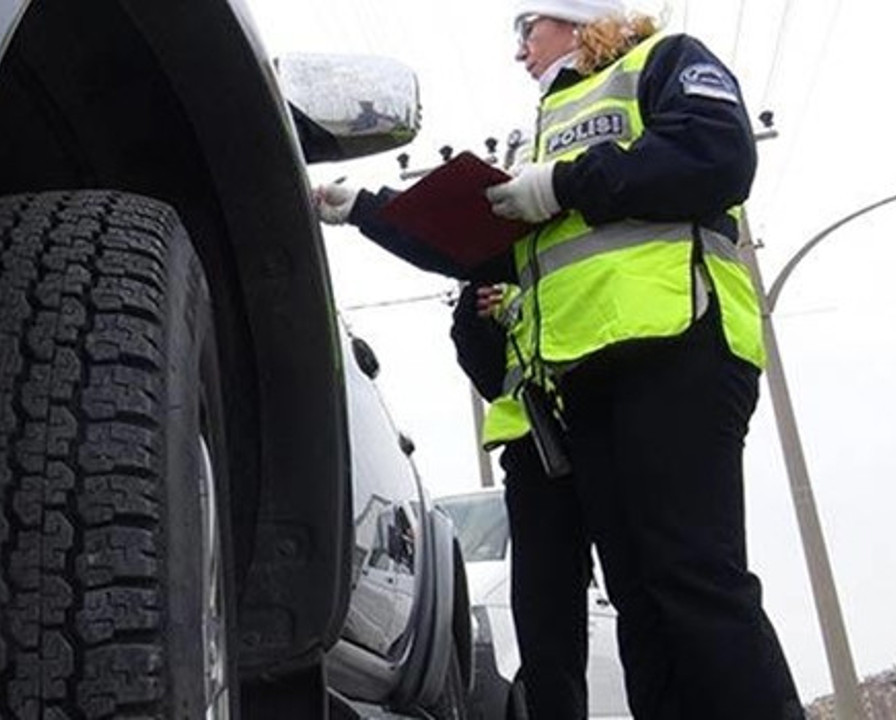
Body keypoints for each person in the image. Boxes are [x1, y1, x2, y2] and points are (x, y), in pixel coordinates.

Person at [476, 1, 804, 717]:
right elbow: (500, 249)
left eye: (527, 29)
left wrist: (562, 184)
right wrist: (366, 207)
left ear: (574, 19)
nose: (520, 51)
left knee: (693, 576)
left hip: (679, 344)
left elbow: (717, 155)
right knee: (639, 596)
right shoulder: (538, 131)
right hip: (585, 374)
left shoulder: (663, 61)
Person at [313, 150, 595, 719]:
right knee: (546, 632)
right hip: (538, 445)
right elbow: (487, 369)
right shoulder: (507, 255)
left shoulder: (588, 222)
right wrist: (480, 321)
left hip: (623, 412)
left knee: (668, 594)